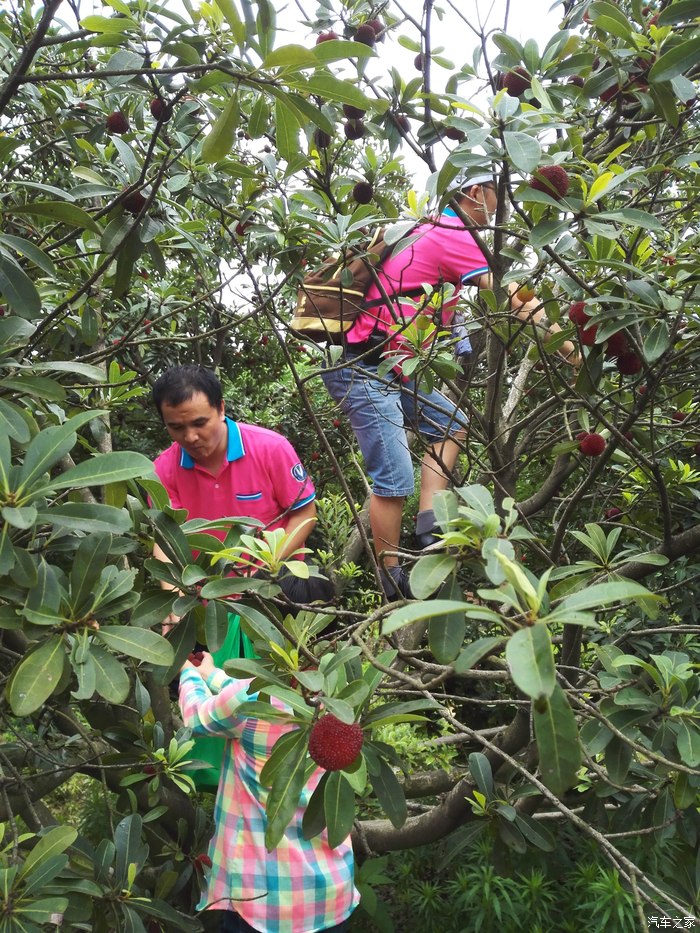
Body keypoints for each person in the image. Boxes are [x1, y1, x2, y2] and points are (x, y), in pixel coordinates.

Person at [320, 170, 577, 598]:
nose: (501, 210)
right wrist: (568, 349)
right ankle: (391, 578)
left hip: (395, 365)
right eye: (498, 197)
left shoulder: (432, 230)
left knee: (451, 421)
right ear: (475, 193)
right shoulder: (454, 233)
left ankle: (428, 524)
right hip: (364, 364)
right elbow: (512, 298)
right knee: (393, 477)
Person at [152, 365, 333, 786]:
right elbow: (163, 537)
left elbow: (305, 513)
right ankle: (214, 779)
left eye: (200, 423)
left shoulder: (269, 448)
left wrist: (267, 562)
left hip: (273, 589)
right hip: (205, 598)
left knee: (280, 694)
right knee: (200, 682)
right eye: (177, 428)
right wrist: (169, 599)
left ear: (222, 409)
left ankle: (296, 764)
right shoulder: (164, 468)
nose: (191, 437)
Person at [179, 650, 358, 932]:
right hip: (330, 894)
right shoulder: (345, 700)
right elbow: (247, 694)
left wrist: (186, 669)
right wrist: (210, 674)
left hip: (262, 903)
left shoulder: (252, 697)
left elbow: (195, 715)